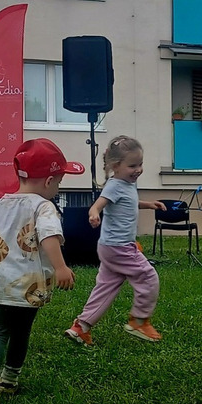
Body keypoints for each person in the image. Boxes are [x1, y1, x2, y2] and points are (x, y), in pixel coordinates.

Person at [0, 138, 82, 404]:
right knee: (21, 331)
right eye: (58, 182)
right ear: (48, 181)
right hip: (28, 285)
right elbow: (49, 235)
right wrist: (60, 267)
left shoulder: (2, 203)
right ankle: (9, 380)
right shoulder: (43, 206)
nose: (57, 188)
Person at [65, 136, 167, 347]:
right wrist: (94, 214)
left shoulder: (126, 184)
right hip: (119, 247)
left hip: (110, 248)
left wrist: (149, 204)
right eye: (132, 165)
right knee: (148, 277)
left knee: (106, 287)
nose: (138, 169)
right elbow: (98, 204)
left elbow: (129, 202)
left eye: (140, 164)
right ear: (115, 166)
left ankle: (81, 327)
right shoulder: (114, 185)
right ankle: (139, 321)